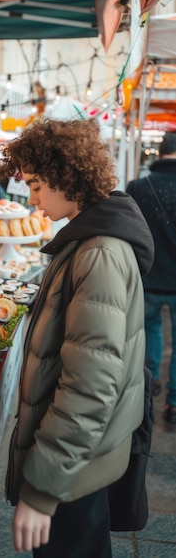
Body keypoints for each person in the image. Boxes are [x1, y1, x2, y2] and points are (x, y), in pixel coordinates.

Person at [0, 118, 154, 557]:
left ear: (65, 176)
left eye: (34, 186)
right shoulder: (90, 241)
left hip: (73, 468)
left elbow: (88, 388)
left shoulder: (99, 252)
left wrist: (42, 490)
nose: (32, 199)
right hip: (80, 460)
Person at [126, 132, 176, 424]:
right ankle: (173, 401)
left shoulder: (138, 186)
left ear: (160, 152)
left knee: (149, 330)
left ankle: (150, 381)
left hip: (149, 277)